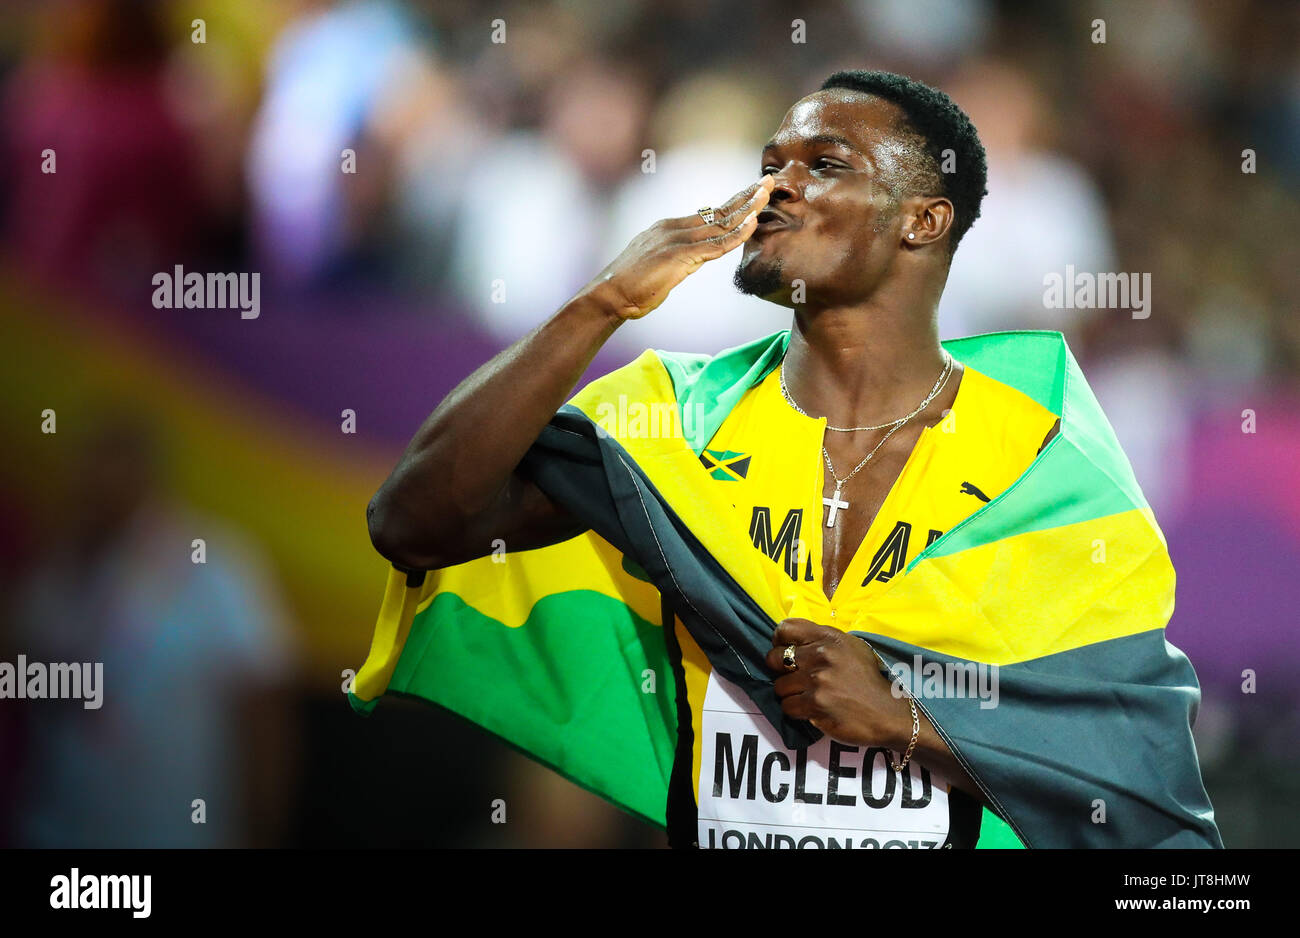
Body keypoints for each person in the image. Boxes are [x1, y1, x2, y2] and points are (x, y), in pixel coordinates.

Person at [364, 70, 1217, 849]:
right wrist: (603, 303)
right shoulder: (674, 422)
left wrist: (905, 723)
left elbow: (1129, 790)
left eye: (824, 164)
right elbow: (413, 522)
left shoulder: (1037, 462)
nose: (776, 188)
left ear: (924, 219)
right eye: (771, 162)